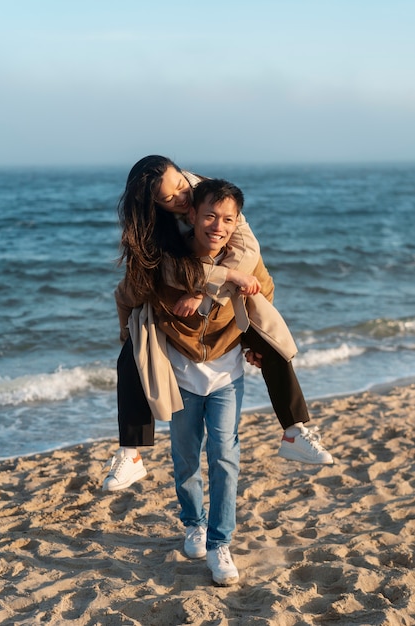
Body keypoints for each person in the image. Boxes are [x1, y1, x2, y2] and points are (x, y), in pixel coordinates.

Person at [103, 156, 333, 492]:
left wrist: (206, 291)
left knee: (271, 341)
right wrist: (219, 278)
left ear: (183, 173)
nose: (181, 198)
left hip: (236, 298)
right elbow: (160, 272)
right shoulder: (153, 228)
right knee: (132, 354)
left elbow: (249, 252)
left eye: (180, 185)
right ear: (153, 204)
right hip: (181, 298)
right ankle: (130, 453)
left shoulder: (211, 195)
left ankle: (294, 430)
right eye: (168, 198)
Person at [129, 178, 273, 585]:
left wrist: (255, 341)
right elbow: (131, 292)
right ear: (191, 215)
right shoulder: (168, 259)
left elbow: (266, 292)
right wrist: (130, 343)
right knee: (186, 456)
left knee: (225, 456)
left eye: (228, 219)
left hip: (227, 374)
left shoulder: (244, 257)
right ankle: (194, 522)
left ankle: (219, 543)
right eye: (210, 216)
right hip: (180, 375)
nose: (218, 226)